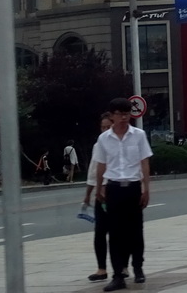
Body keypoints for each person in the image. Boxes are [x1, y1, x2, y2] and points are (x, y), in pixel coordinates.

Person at [94, 97, 152, 291]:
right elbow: (101, 165)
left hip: (134, 187)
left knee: (135, 231)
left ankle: (138, 268)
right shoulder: (104, 139)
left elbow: (144, 163)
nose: (124, 117)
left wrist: (146, 189)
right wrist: (99, 187)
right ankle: (118, 274)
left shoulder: (139, 135)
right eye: (120, 114)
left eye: (127, 114)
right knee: (116, 234)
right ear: (112, 116)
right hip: (114, 188)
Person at [83, 113, 114, 282]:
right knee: (100, 232)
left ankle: (122, 267)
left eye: (108, 127)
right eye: (102, 127)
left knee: (119, 233)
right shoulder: (98, 145)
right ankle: (101, 268)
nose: (105, 130)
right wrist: (88, 194)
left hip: (116, 191)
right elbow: (93, 172)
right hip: (100, 194)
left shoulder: (119, 143)